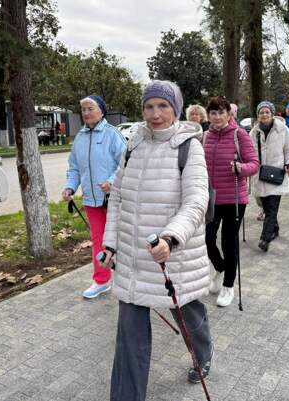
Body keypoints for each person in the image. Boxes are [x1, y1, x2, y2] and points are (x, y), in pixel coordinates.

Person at [100, 80, 213, 399]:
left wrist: (170, 238)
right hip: (133, 260)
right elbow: (118, 197)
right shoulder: (133, 145)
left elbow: (196, 201)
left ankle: (203, 353)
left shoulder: (189, 147)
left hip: (172, 257)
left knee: (189, 318)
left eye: (163, 106)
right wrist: (110, 244)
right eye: (149, 106)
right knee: (129, 340)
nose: (155, 113)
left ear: (176, 109)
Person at [62, 95, 126, 299]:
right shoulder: (79, 138)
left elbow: (125, 163)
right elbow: (74, 167)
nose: (86, 113)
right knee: (99, 241)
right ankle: (102, 280)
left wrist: (111, 181)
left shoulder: (112, 134)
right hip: (91, 199)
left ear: (101, 111)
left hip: (113, 199)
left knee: (122, 240)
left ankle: (128, 278)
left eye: (90, 108)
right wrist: (70, 187)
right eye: (83, 109)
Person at [204, 96, 259, 307]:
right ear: (209, 115)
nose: (217, 116)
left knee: (229, 242)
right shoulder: (206, 136)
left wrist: (241, 168)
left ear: (229, 114)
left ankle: (228, 286)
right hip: (211, 198)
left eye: (221, 112)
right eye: (213, 113)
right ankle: (220, 269)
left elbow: (254, 164)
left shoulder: (239, 134)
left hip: (234, 198)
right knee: (208, 240)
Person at [249, 101, 289, 252]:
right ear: (258, 115)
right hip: (260, 175)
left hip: (277, 174)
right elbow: (249, 152)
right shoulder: (253, 132)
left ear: (272, 114)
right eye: (261, 112)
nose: (264, 114)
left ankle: (265, 239)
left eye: (267, 112)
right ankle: (274, 229)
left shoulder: (283, 130)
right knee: (267, 207)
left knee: (272, 208)